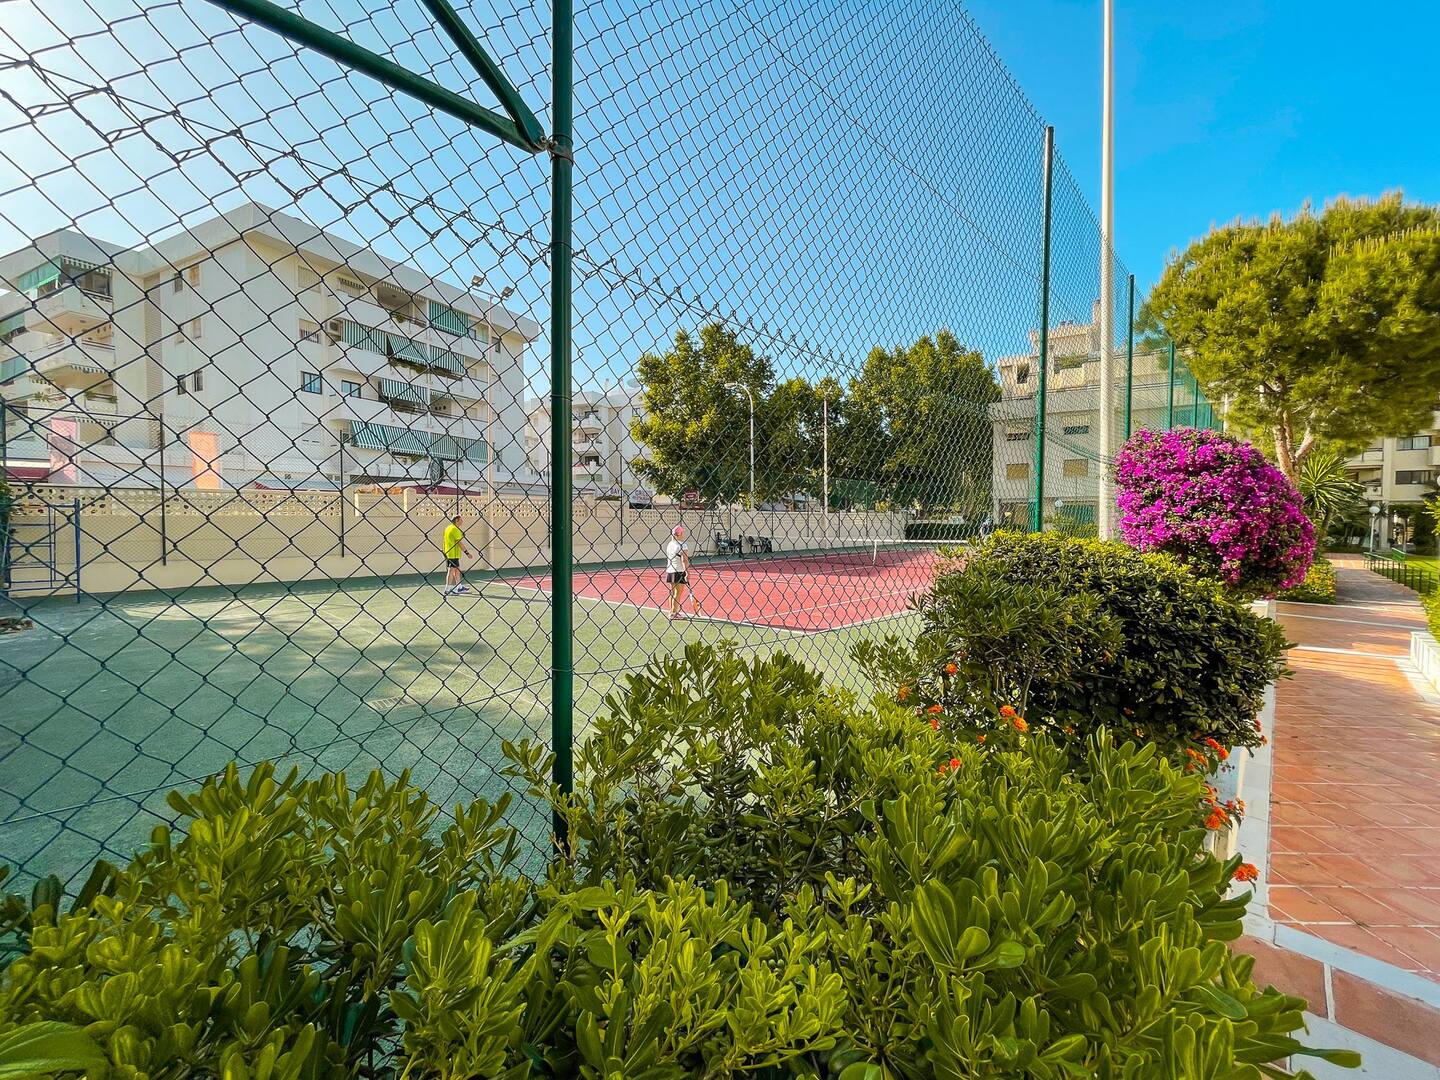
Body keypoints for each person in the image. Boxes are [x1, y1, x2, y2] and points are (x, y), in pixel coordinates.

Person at [665, 524, 689, 619]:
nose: (683, 534)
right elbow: (684, 560)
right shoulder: (683, 545)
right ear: (679, 534)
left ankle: (671, 611)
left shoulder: (670, 544)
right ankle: (674, 613)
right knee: (678, 592)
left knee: (672, 592)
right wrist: (687, 572)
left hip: (670, 571)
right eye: (682, 532)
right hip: (679, 571)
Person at [442, 514, 470, 595]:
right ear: (457, 520)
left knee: (457, 570)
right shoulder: (455, 529)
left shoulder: (448, 528)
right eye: (461, 520)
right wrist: (467, 553)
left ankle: (459, 587)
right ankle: (447, 590)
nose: (462, 521)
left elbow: (444, 541)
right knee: (451, 571)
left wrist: (444, 550)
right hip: (452, 554)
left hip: (449, 553)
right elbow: (459, 543)